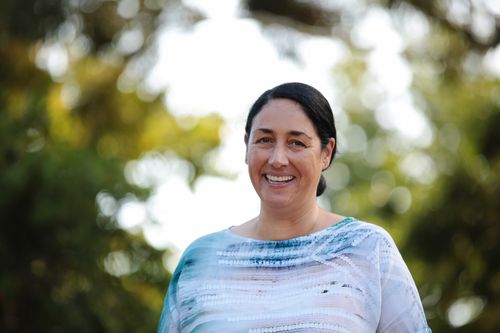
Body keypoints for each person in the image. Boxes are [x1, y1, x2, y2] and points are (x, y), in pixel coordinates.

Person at [157, 82, 431, 332]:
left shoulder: (367, 249)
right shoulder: (200, 260)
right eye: (264, 140)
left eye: (296, 143)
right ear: (246, 147)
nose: (278, 159)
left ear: (326, 153)